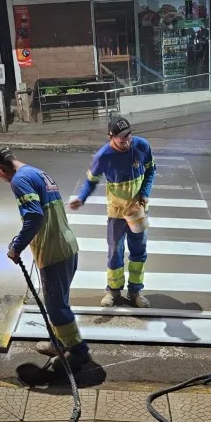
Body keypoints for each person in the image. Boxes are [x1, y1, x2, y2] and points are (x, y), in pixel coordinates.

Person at [0, 147, 91, 369]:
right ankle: (59, 343)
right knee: (59, 301)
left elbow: (34, 216)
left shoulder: (19, 180)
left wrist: (16, 247)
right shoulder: (37, 172)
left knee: (56, 307)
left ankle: (77, 352)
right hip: (67, 245)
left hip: (53, 251)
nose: (3, 180)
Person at [69, 116, 155, 308]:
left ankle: (135, 291)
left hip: (138, 209)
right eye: (122, 138)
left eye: (129, 136)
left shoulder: (141, 146)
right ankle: (113, 292)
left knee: (139, 252)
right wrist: (81, 198)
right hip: (116, 211)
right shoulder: (104, 156)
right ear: (111, 136)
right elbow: (91, 180)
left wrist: (145, 193)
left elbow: (151, 171)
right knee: (115, 252)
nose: (127, 141)